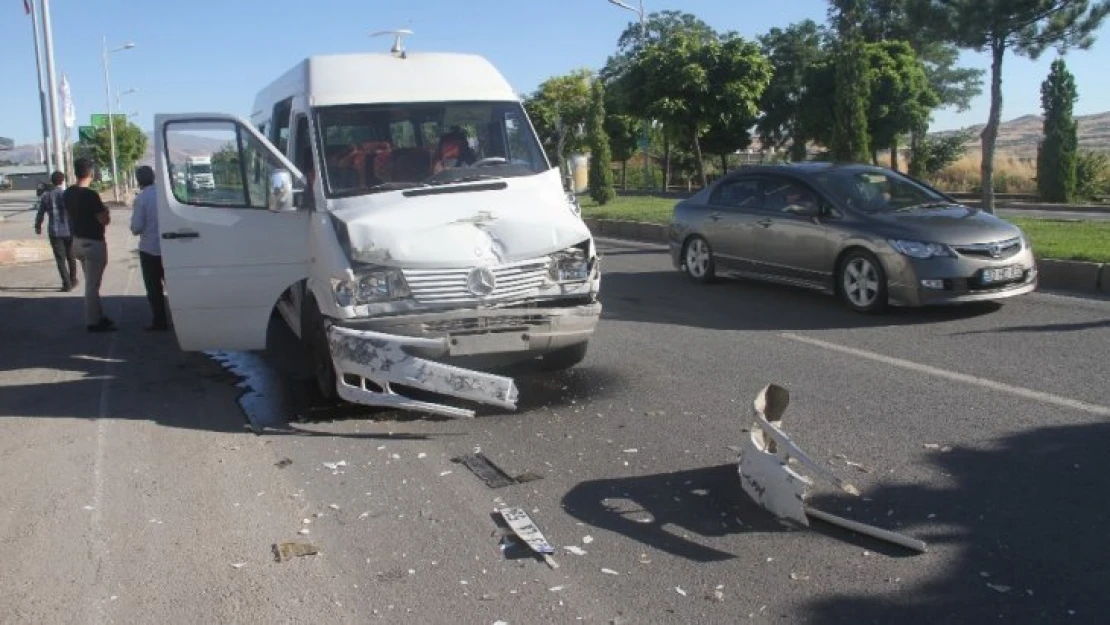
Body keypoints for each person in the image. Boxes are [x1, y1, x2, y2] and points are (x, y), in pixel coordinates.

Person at [65, 158, 115, 333]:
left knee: (90, 283)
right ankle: (93, 322)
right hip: (92, 243)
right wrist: (106, 211)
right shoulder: (90, 195)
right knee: (92, 286)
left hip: (76, 242)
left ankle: (99, 316)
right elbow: (103, 220)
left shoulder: (68, 193)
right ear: (91, 173)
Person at [130, 165, 168, 331]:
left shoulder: (141, 199)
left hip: (150, 250)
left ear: (138, 181)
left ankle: (160, 322)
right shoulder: (165, 194)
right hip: (170, 248)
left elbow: (137, 227)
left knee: (154, 289)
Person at [33, 170, 78, 292]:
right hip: (69, 231)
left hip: (55, 231)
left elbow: (40, 213)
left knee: (60, 259)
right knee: (71, 256)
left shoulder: (46, 196)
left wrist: (38, 226)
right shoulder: (67, 195)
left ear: (52, 181)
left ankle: (66, 284)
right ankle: (73, 280)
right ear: (62, 181)